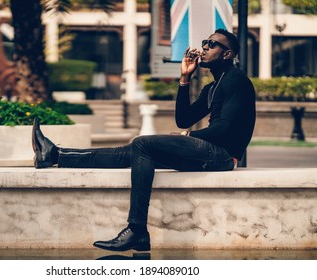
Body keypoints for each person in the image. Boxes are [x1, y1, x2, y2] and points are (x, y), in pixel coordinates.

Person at [32, 29, 256, 252]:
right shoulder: (213, 86)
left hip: (222, 156)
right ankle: (54, 155)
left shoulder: (237, 80)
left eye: (212, 44)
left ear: (227, 55)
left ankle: (137, 229)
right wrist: (184, 79)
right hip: (208, 151)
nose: (205, 46)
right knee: (132, 151)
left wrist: (190, 136)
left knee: (142, 144)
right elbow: (183, 119)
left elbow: (224, 129)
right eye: (205, 41)